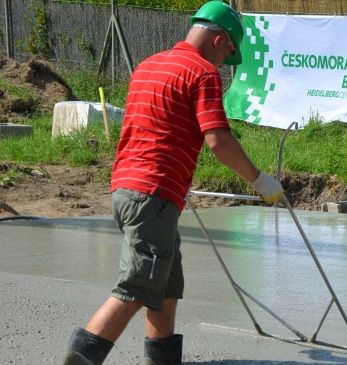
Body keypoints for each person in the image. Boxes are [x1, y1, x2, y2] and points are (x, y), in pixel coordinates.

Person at [62, 1, 284, 364]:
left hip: (128, 187)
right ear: (219, 39)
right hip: (153, 192)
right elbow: (218, 140)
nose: (224, 63)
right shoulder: (201, 73)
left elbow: (157, 128)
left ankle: (162, 360)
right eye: (228, 52)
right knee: (136, 285)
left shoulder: (148, 66)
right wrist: (258, 179)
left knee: (165, 284)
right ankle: (81, 359)